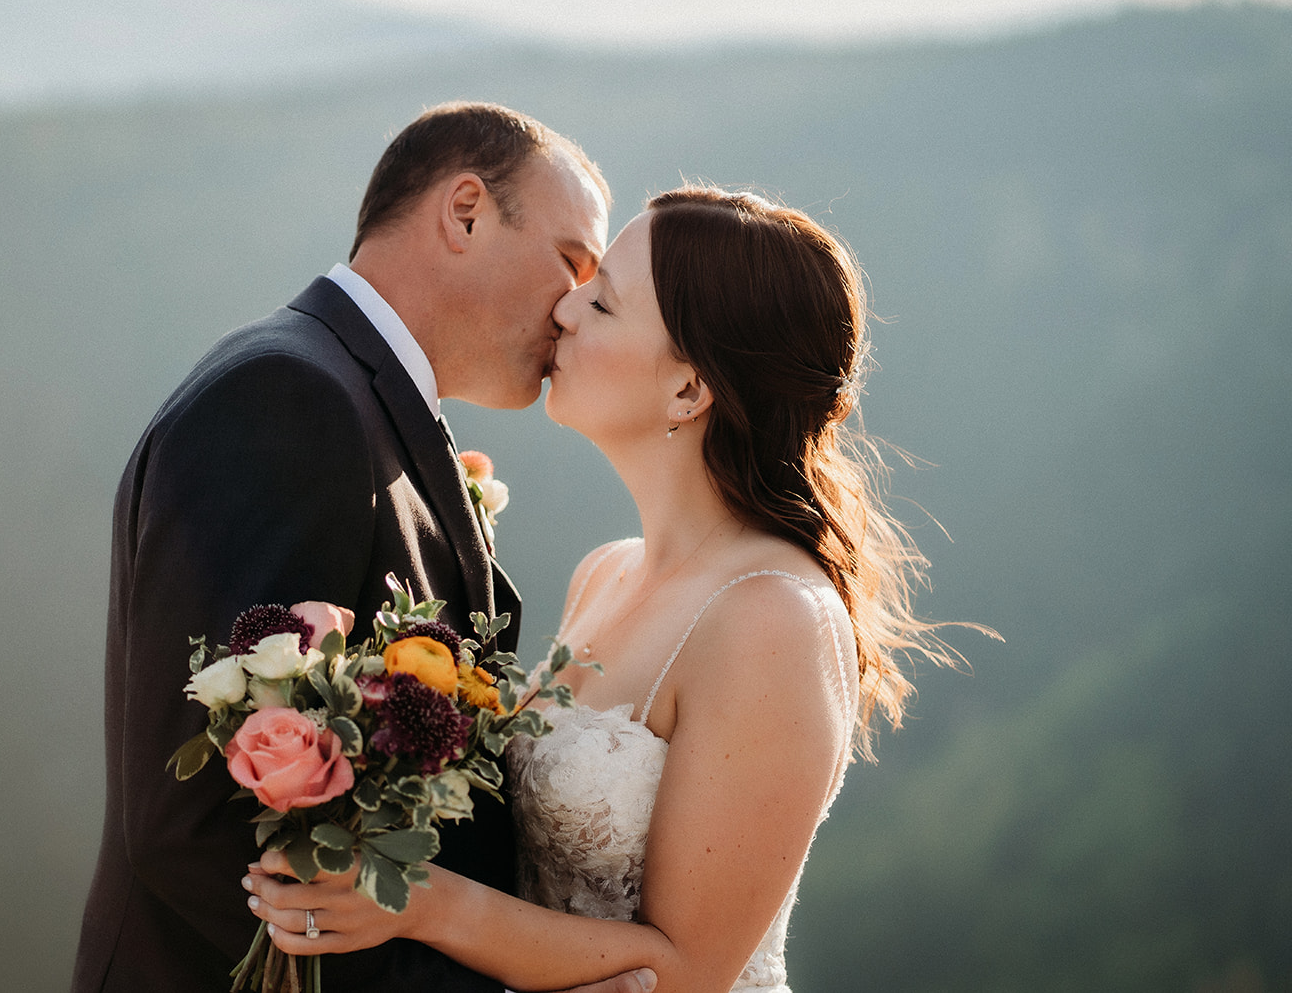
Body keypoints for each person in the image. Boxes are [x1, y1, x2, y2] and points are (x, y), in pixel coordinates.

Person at [242, 186, 969, 992]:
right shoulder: (604, 572)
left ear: (689, 390)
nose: (564, 310)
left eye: (605, 302)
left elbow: (690, 971)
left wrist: (417, 900)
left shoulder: (773, 619)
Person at [71, 102, 654, 993]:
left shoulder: (353, 401)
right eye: (572, 261)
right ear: (464, 213)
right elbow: (194, 825)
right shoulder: (286, 399)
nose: (576, 304)